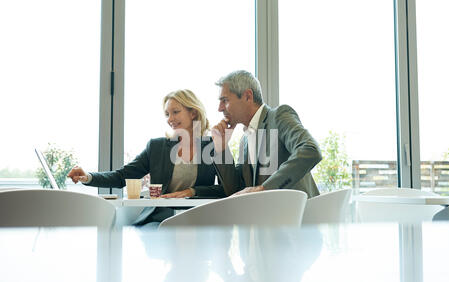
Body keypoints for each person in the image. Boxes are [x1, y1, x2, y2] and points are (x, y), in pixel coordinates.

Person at [68, 89, 225, 225]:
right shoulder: (157, 147)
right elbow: (122, 176)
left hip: (198, 219)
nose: (170, 119)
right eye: (167, 114)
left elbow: (227, 189)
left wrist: (192, 191)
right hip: (158, 219)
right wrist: (87, 177)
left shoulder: (213, 146)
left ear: (193, 113)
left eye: (175, 112)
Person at [211, 70, 322, 198]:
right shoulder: (245, 140)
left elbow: (311, 150)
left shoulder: (279, 116)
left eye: (225, 100)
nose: (220, 108)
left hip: (298, 213)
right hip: (269, 215)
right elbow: (236, 191)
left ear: (248, 96)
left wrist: (265, 188)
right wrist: (222, 148)